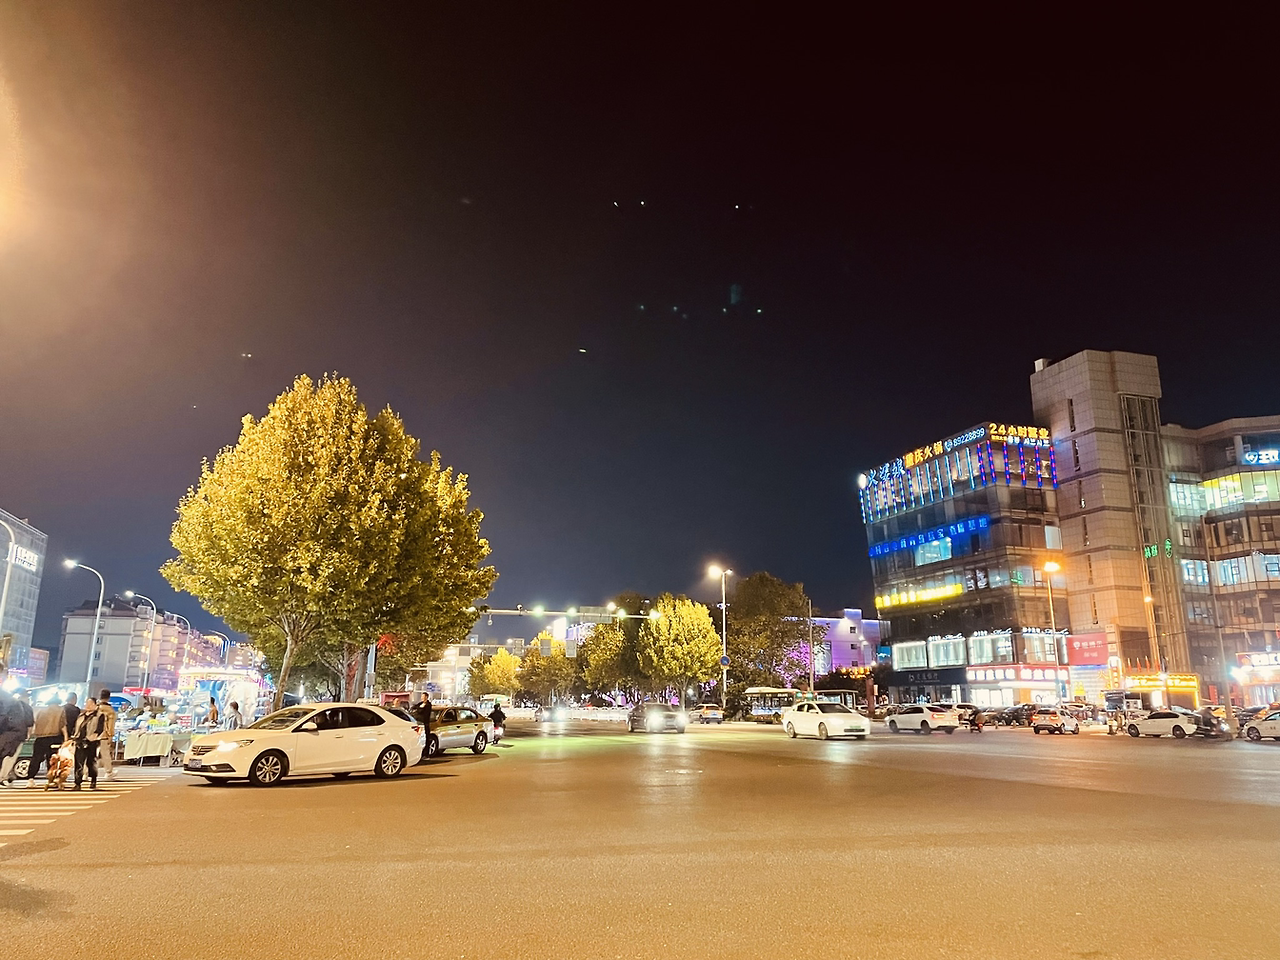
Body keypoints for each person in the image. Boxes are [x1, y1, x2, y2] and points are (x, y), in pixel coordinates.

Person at [24, 697, 69, 789]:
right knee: (52, 760)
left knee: (36, 758)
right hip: (54, 737)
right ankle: (51, 779)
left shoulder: (41, 711)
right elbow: (62, 725)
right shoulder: (60, 710)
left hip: (40, 738)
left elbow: (34, 724)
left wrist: (29, 735)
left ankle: (30, 779)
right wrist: (66, 738)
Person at [0, 673, 34, 788]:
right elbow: (30, 723)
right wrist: (27, 735)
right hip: (15, 734)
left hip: (7, 733)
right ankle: (3, 777)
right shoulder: (25, 707)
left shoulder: (10, 702)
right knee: (9, 757)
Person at [70, 697, 107, 791]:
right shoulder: (81, 716)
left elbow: (100, 729)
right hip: (79, 741)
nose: (88, 706)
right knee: (79, 762)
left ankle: (93, 780)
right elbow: (76, 728)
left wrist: (93, 737)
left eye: (90, 704)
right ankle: (77, 783)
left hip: (91, 742)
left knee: (91, 762)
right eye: (87, 703)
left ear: (95, 705)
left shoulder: (99, 715)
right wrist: (74, 737)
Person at [96, 689, 118, 781]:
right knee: (105, 754)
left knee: (90, 754)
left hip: (92, 734)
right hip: (104, 734)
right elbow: (111, 725)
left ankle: (85, 773)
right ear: (108, 697)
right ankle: (108, 772)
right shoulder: (110, 710)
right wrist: (110, 735)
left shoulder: (95, 707)